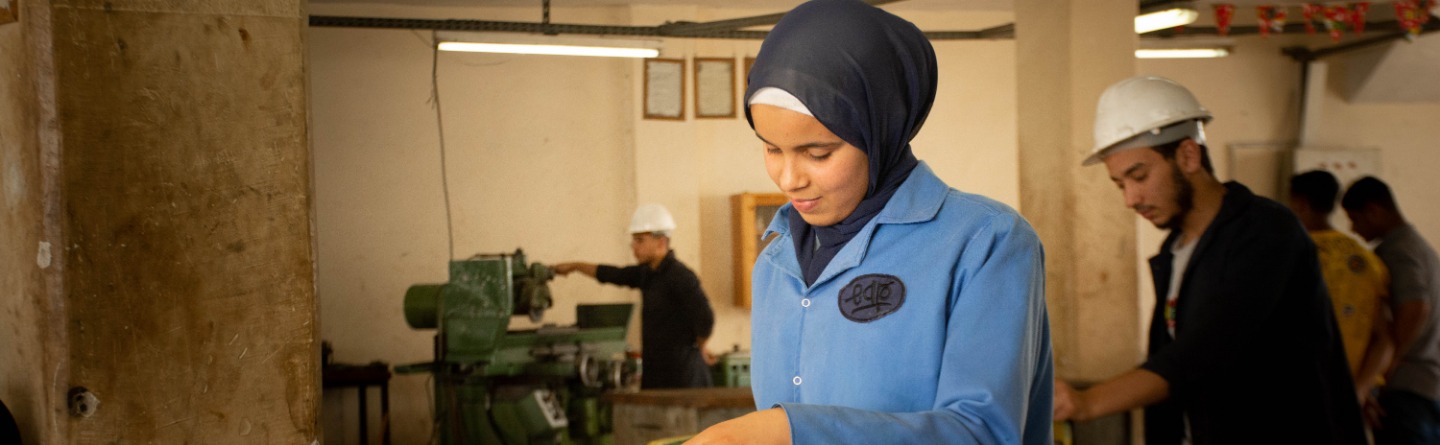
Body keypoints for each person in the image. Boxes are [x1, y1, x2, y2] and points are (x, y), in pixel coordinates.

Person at [689, 1, 1053, 443]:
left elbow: (984, 434)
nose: (789, 178)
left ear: (883, 129)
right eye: (771, 148)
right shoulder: (775, 263)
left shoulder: (984, 243)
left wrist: (791, 429)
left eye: (817, 153)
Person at [1053, 75, 1365, 444]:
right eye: (1121, 184)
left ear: (1188, 155)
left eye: (1139, 176)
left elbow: (1203, 354)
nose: (1131, 199)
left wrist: (1086, 403)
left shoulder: (1266, 232)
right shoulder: (1174, 254)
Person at [551, 203, 716, 389]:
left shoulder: (680, 276)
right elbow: (612, 274)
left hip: (683, 378)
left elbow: (706, 318)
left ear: (661, 242)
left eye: (639, 240)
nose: (633, 246)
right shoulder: (647, 274)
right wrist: (575, 266)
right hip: (656, 375)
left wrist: (700, 346)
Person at [1342, 176, 1440, 444]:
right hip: (1429, 386)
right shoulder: (1421, 248)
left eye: (1355, 219)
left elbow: (1416, 307)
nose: (1353, 229)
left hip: (1407, 390)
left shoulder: (1396, 251)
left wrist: (1388, 362)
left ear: (1373, 210)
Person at [1289, 170, 1394, 406]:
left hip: (1300, 394)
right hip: (1347, 399)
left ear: (1300, 204)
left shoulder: (1288, 256)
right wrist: (1360, 391)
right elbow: (1384, 341)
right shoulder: (1366, 261)